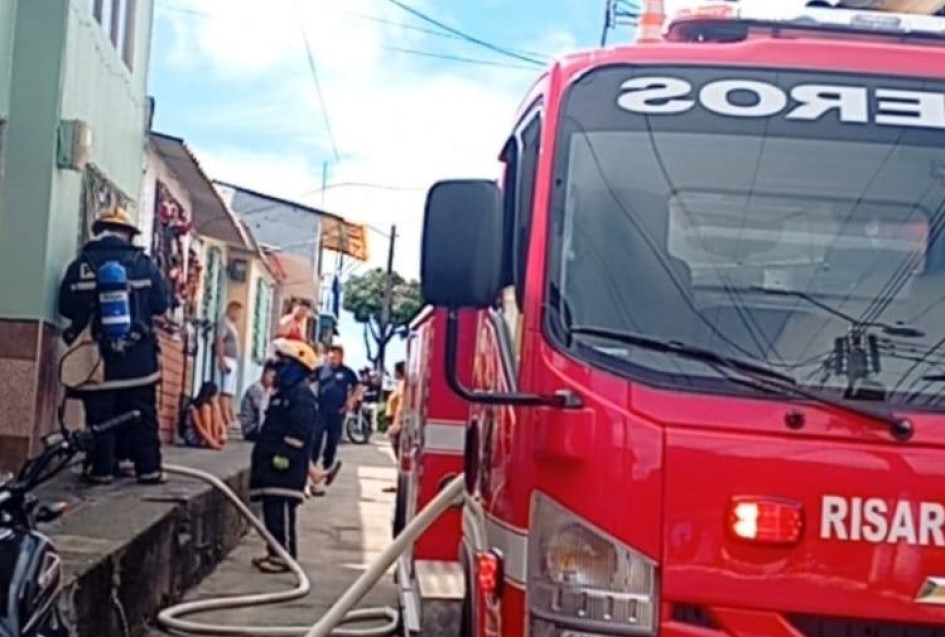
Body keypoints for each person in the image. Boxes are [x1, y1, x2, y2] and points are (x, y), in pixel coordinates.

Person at [58, 206, 169, 485]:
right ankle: (149, 470)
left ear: (99, 232)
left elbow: (66, 308)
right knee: (143, 415)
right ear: (128, 235)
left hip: (96, 360)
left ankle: (101, 470)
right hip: (139, 360)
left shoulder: (80, 265)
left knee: (99, 417)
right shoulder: (144, 264)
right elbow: (160, 304)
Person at [248, 339, 319, 573]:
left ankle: (285, 556)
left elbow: (301, 429)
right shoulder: (284, 393)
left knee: (282, 513)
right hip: (272, 466)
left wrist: (286, 453)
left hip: (285, 468)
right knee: (272, 513)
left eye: (283, 363)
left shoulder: (301, 395)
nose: (277, 369)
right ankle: (274, 552)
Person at [307, 345, 358, 496]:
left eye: (335, 356)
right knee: (315, 442)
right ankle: (312, 476)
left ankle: (327, 471)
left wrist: (351, 401)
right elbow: (308, 380)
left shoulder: (347, 372)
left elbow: (357, 386)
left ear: (341, 357)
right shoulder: (321, 370)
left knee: (332, 444)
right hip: (321, 411)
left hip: (337, 413)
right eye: (330, 356)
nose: (332, 359)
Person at [215, 301, 242, 430]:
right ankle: (226, 419)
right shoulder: (224, 322)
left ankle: (231, 417)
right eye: (237, 312)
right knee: (225, 391)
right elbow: (220, 340)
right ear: (231, 309)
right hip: (226, 359)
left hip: (233, 360)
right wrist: (221, 359)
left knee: (230, 392)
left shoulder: (232, 325)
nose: (238, 315)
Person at [382, 362, 407, 493]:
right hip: (394, 420)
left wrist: (397, 424)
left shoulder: (403, 384)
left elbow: (401, 405)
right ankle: (398, 482)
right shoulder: (401, 384)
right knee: (398, 457)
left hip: (397, 423)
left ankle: (400, 484)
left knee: (400, 456)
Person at [239, 360, 277, 442]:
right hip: (251, 429)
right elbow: (262, 410)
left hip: (256, 427)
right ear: (263, 374)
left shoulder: (267, 390)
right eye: (271, 377)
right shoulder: (257, 389)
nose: (273, 380)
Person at [180, 382, 225, 450]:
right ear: (210, 396)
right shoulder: (193, 408)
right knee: (205, 408)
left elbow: (221, 422)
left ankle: (213, 439)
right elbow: (199, 428)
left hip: (204, 437)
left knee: (215, 408)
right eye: (216, 395)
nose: (217, 398)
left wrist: (223, 433)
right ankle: (210, 441)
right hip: (193, 436)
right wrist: (212, 442)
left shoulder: (212, 407)